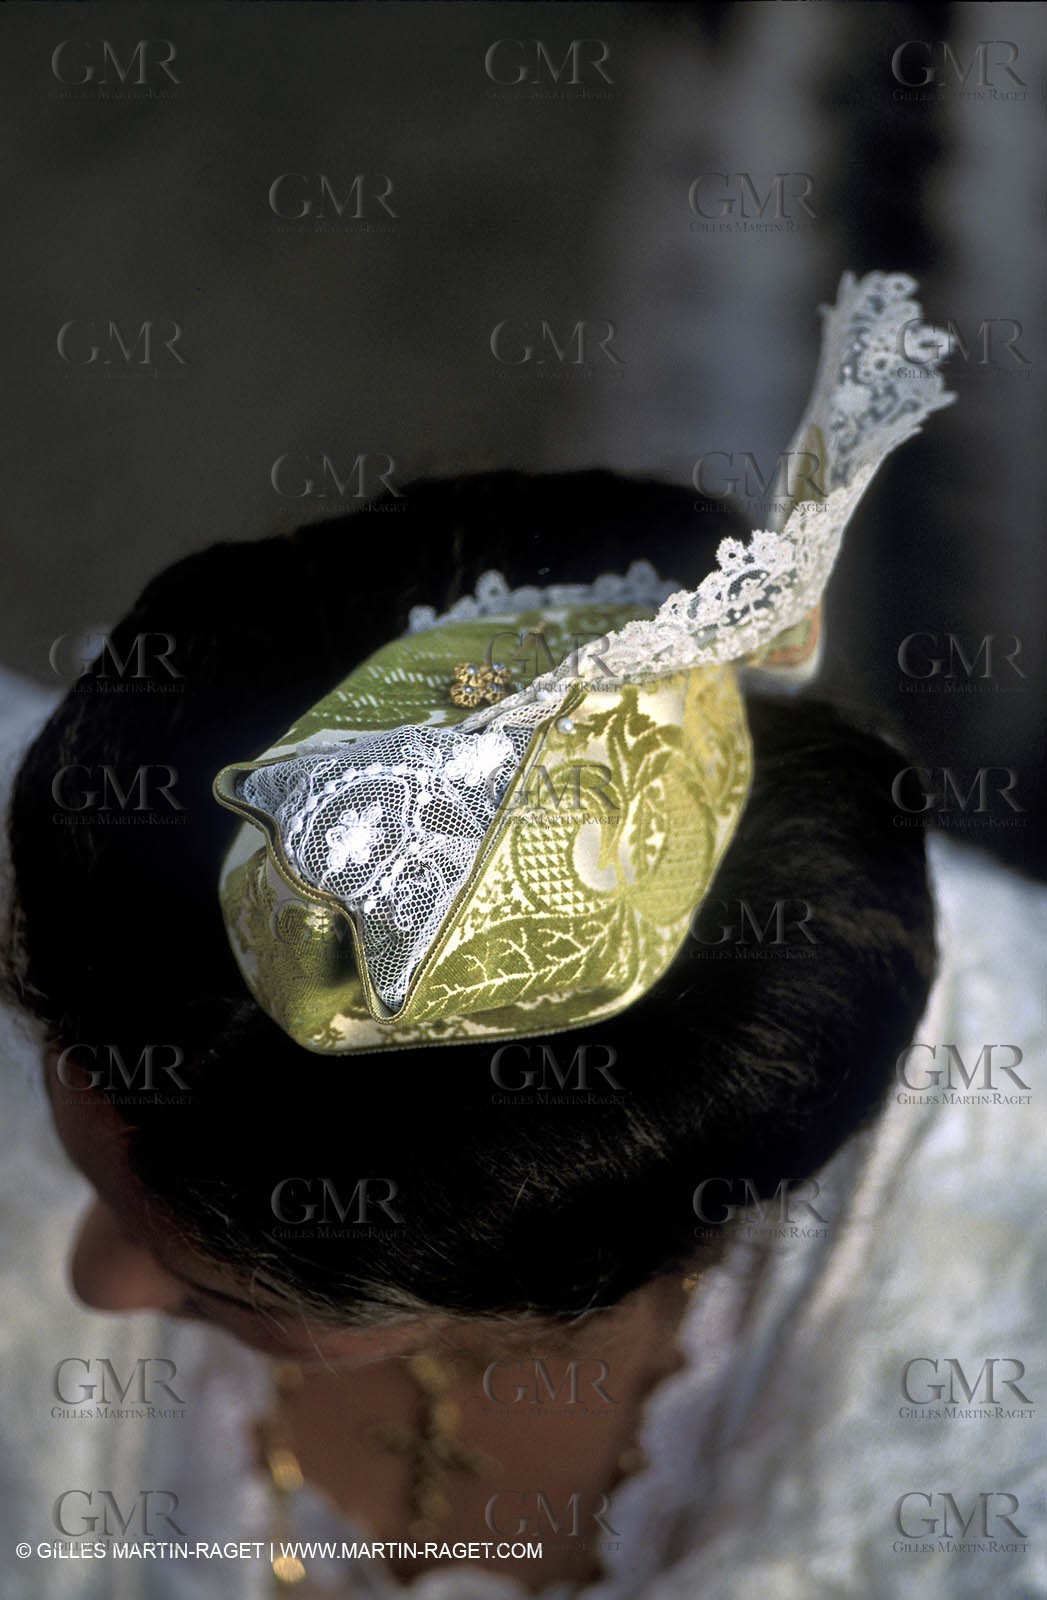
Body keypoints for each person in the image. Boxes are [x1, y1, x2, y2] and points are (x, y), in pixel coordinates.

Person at [1, 277, 1042, 1599]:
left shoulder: (997, 1430)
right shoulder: (119, 876)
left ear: (619, 1268)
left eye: (226, 1291)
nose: (90, 1283)